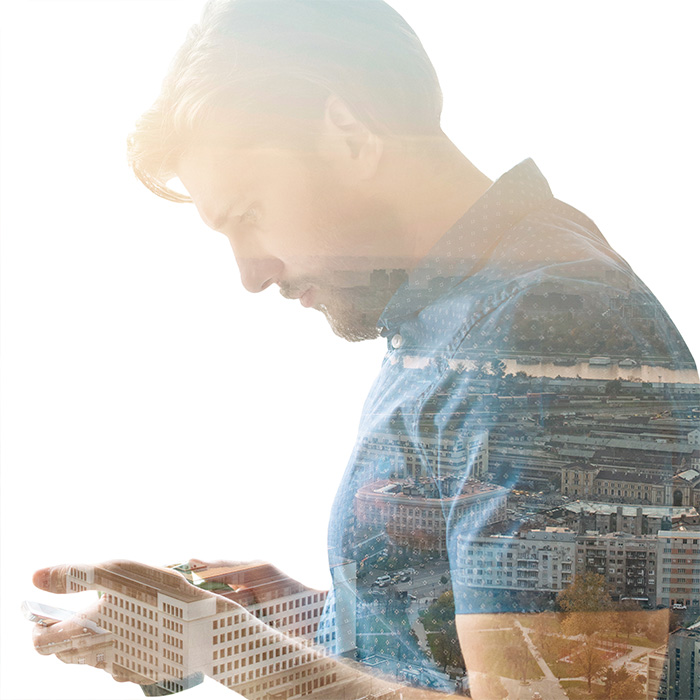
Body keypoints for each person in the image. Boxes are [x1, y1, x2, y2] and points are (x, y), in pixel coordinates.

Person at [31, 1, 699, 698]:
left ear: (349, 134)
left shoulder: (551, 334)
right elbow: (507, 655)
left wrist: (221, 645)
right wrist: (332, 620)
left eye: (250, 214)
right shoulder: (468, 309)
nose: (252, 274)